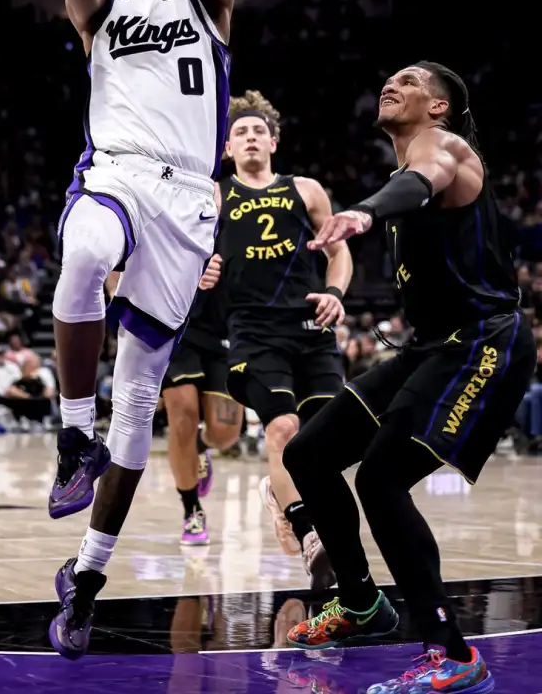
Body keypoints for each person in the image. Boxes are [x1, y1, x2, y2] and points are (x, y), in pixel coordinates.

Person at [48, 0, 236, 659]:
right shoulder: (100, 11)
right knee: (83, 250)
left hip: (190, 201)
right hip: (120, 171)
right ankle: (69, 430)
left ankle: (86, 578)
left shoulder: (208, 5)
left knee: (141, 421)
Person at [283, 62, 534, 694]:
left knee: (381, 475)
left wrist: (363, 214)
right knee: (309, 454)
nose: (392, 83)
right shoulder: (407, 167)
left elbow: (426, 179)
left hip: (481, 342)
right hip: (430, 348)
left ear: (440, 106)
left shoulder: (445, 149)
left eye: (411, 80)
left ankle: (452, 653)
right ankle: (362, 602)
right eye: (390, 78)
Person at [216, 90, 352, 589]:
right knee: (283, 428)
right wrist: (202, 273)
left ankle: (279, 493)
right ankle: (307, 529)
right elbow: (186, 257)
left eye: (258, 131)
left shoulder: (308, 190)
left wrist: (335, 291)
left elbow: (339, 253)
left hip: (310, 329)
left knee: (326, 441)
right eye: (240, 133)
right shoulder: (215, 196)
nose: (250, 138)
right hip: (252, 333)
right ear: (227, 148)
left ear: (273, 141)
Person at [161, 250, 242, 546]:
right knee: (182, 413)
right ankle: (191, 509)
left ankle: (200, 445)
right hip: (174, 324)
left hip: (224, 330)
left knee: (225, 434)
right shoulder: (169, 207)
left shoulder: (238, 212)